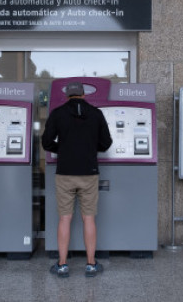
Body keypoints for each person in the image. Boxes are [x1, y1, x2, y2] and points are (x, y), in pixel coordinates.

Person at [42, 81, 112, 278]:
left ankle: (62, 265)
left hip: (65, 173)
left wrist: (62, 149)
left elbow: (46, 142)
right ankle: (91, 264)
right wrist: (89, 148)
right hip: (89, 172)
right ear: (83, 94)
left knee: (65, 218)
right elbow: (106, 143)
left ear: (67, 95)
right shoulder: (96, 113)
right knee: (88, 218)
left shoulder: (57, 113)